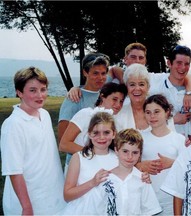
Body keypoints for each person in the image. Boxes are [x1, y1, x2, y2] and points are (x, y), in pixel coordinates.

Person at [61, 112, 159, 215]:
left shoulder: (120, 157)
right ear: (89, 134)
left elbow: (131, 178)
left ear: (114, 134)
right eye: (96, 133)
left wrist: (143, 177)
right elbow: (67, 195)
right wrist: (92, 183)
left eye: (106, 132)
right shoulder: (79, 158)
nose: (101, 137)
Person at [0, 67, 66, 215]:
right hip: (29, 204)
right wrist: (26, 207)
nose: (40, 95)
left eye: (43, 89)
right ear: (19, 92)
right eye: (32, 90)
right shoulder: (13, 125)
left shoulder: (45, 114)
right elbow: (14, 171)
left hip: (53, 199)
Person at [67, 42, 191, 112]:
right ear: (125, 59)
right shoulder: (116, 82)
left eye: (141, 57)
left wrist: (189, 92)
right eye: (133, 57)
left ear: (145, 60)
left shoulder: (154, 78)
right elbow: (96, 83)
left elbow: (184, 75)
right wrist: (78, 88)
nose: (137, 61)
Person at [59, 82, 127, 175]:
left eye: (121, 101)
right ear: (102, 97)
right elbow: (64, 145)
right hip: (78, 169)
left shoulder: (115, 123)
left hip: (100, 171)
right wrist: (93, 153)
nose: (118, 105)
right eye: (114, 99)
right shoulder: (86, 114)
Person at [138, 94, 186, 215]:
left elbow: (189, 169)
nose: (152, 116)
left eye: (156, 112)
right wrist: (140, 165)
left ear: (167, 112)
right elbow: (127, 165)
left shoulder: (179, 139)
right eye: (148, 112)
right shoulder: (140, 138)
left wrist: (172, 163)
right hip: (146, 200)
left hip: (171, 201)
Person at [148, 45, 191, 142]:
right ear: (169, 63)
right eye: (179, 63)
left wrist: (189, 92)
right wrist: (172, 120)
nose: (183, 68)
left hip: (187, 150)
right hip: (161, 146)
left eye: (187, 64)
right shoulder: (154, 84)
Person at [103, 128, 162, 215]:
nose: (130, 157)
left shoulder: (143, 179)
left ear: (140, 153)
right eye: (125, 151)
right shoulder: (105, 179)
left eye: (135, 152)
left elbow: (150, 210)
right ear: (116, 150)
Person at [58, 52, 110, 143]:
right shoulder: (75, 98)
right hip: (79, 156)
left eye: (103, 73)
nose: (100, 77)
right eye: (95, 73)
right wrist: (90, 153)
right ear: (85, 73)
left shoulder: (106, 96)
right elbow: (62, 139)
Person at [114, 63, 175, 132]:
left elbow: (172, 138)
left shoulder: (163, 110)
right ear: (126, 88)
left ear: (148, 87)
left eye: (141, 84)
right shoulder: (119, 114)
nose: (137, 88)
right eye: (132, 84)